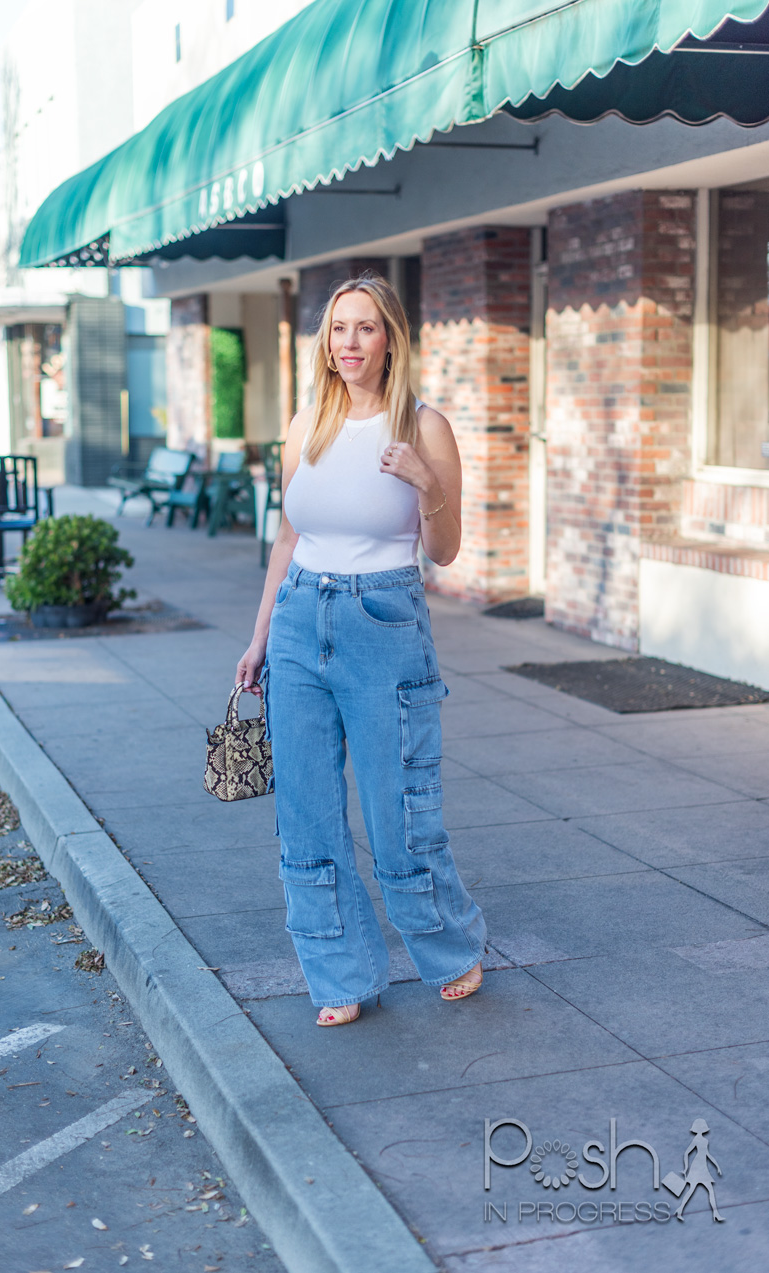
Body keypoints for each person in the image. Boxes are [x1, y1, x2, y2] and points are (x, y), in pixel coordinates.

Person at [236, 273, 486, 1027]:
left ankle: (451, 948)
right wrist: (258, 638)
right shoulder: (305, 421)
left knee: (398, 808)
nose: (349, 343)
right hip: (299, 618)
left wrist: (424, 482)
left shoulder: (423, 426)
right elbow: (289, 534)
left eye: (365, 328)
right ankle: (340, 972)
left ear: (391, 339)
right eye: (339, 328)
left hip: (384, 622)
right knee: (306, 811)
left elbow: (444, 550)